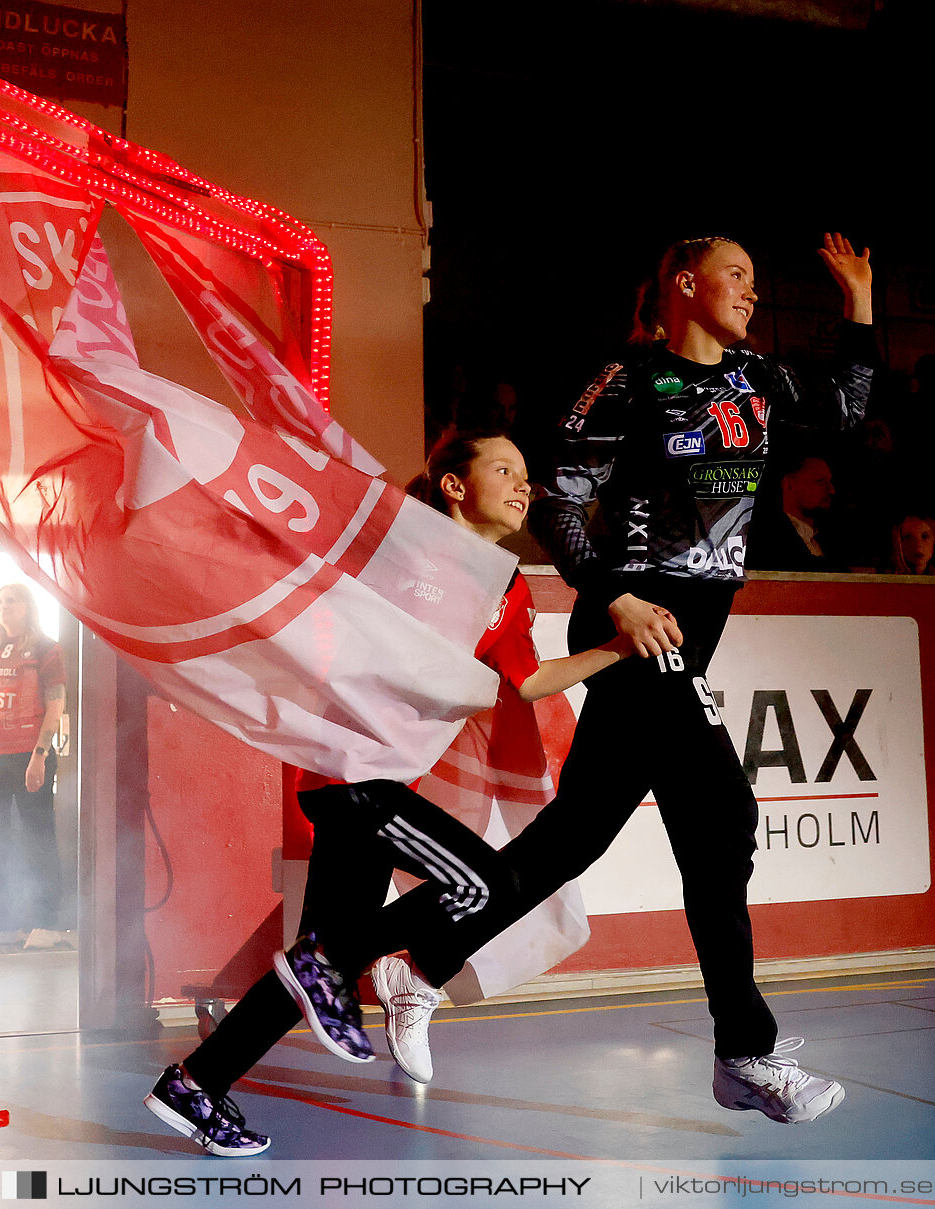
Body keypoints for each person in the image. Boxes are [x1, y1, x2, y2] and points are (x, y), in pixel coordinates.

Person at [369, 232, 874, 1125]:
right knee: (723, 818)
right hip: (640, 624)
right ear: (685, 284)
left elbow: (843, 409)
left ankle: (418, 965)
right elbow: (560, 496)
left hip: (694, 629)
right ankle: (745, 1053)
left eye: (756, 281)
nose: (751, 293)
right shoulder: (629, 380)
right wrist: (616, 598)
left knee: (574, 836)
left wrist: (860, 304)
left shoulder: (756, 380)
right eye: (736, 275)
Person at [144, 430, 630, 1157]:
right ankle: (363, 964)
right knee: (487, 884)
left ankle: (196, 1084)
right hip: (350, 776)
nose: (523, 484)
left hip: (376, 782)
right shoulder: (401, 547)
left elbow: (525, 682)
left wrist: (619, 649)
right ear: (456, 486)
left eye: (527, 474)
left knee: (321, 964)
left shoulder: (508, 588)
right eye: (504, 469)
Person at [0, 583, 65, 950]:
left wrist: (39, 755)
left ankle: (48, 923)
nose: (4, 607)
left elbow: (55, 705)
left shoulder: (45, 648)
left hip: (28, 757)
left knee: (38, 837)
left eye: (12, 601)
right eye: (0, 601)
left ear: (27, 607)